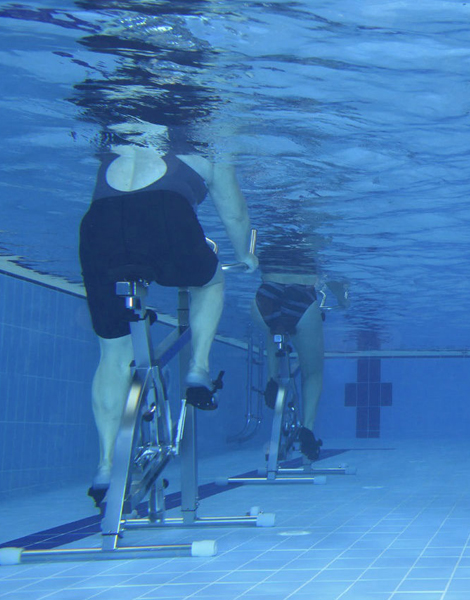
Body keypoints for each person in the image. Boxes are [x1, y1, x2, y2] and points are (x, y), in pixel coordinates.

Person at [79, 119, 257, 506]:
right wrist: (246, 255)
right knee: (209, 282)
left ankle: (106, 467)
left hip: (99, 226)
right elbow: (236, 216)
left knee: (111, 353)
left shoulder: (120, 137)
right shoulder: (207, 142)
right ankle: (199, 369)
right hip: (165, 216)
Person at [252, 266, 349, 462]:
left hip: (265, 295)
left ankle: (272, 379)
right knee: (313, 372)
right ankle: (307, 431)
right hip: (301, 296)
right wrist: (342, 300)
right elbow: (335, 282)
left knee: (275, 330)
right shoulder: (313, 251)